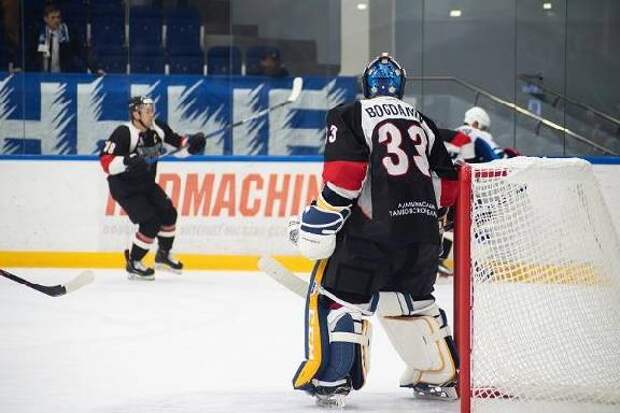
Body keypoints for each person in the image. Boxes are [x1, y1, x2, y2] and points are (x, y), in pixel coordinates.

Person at [287, 53, 459, 407]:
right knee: (415, 304)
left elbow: (344, 178)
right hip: (423, 235)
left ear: (366, 85)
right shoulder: (424, 122)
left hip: (371, 235)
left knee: (339, 297)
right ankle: (440, 372)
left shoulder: (350, 114)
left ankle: (332, 377)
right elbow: (449, 189)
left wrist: (319, 219)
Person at [99, 96, 206, 281]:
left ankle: (163, 255)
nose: (151, 114)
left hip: (146, 184)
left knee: (169, 214)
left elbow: (179, 145)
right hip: (124, 187)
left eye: (152, 110)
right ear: (135, 113)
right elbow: (106, 162)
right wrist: (126, 160)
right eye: (147, 111)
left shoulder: (159, 128)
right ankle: (134, 263)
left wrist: (192, 146)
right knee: (150, 222)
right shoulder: (124, 133)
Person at [31, 3, 105, 75]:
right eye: (53, 18)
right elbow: (29, 54)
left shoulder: (68, 33)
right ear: (45, 19)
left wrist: (95, 69)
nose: (56, 20)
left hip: (63, 76)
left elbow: (82, 52)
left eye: (58, 17)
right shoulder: (39, 33)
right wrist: (20, 66)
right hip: (42, 77)